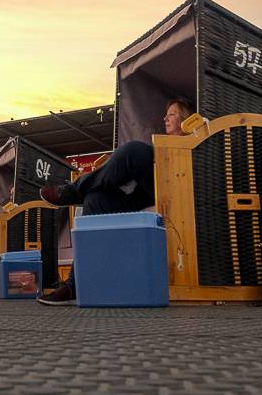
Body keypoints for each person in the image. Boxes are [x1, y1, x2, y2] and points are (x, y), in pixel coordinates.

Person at [35, 99, 194, 305]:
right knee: (95, 200)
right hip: (146, 192)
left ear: (186, 119)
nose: (165, 118)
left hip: (174, 189)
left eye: (172, 114)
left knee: (135, 150)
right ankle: (74, 286)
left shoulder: (195, 141)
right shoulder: (161, 145)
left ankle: (73, 191)